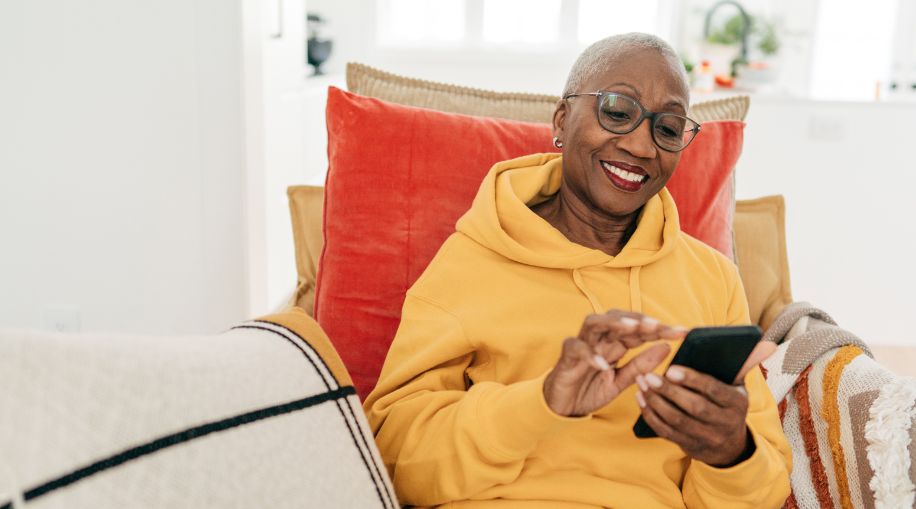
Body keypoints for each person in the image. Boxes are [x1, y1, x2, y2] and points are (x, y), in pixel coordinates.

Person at [363, 33, 791, 508]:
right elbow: (395, 461)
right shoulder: (471, 258)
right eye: (617, 110)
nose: (641, 145)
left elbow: (762, 493)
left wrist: (731, 454)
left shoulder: (712, 278)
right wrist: (542, 400)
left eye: (667, 129)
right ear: (563, 120)